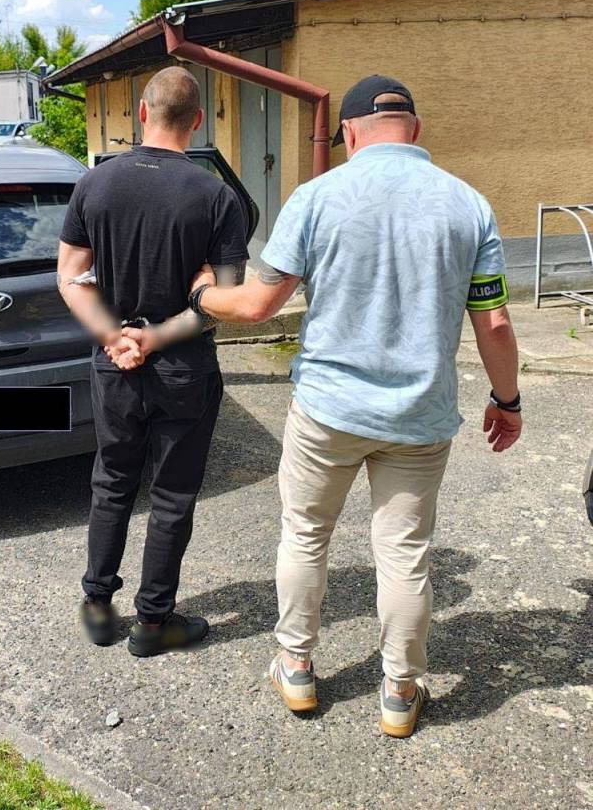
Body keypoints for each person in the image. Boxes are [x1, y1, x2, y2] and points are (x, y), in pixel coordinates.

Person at [182, 75, 522, 736]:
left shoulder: (316, 198)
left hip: (328, 411)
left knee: (306, 534)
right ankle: (399, 691)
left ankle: (297, 668)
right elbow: (497, 324)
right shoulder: (469, 205)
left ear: (348, 132)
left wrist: (201, 294)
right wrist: (506, 400)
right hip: (419, 417)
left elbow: (259, 304)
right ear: (416, 130)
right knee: (405, 552)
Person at [57, 66, 249, 658]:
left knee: (112, 482)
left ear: (141, 113)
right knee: (172, 494)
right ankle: (153, 621)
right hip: (184, 370)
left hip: (114, 366)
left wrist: (114, 337)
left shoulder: (95, 184)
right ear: (198, 120)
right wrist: (154, 338)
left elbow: (69, 277)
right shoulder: (217, 197)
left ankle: (97, 606)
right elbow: (226, 302)